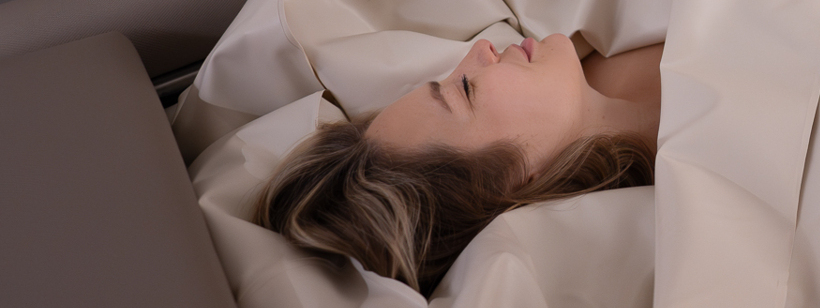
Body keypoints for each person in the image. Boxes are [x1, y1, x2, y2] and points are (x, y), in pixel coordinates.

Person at [256, 33, 663, 292]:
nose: (480, 48)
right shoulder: (688, 181)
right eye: (464, 89)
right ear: (517, 183)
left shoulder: (593, 41)